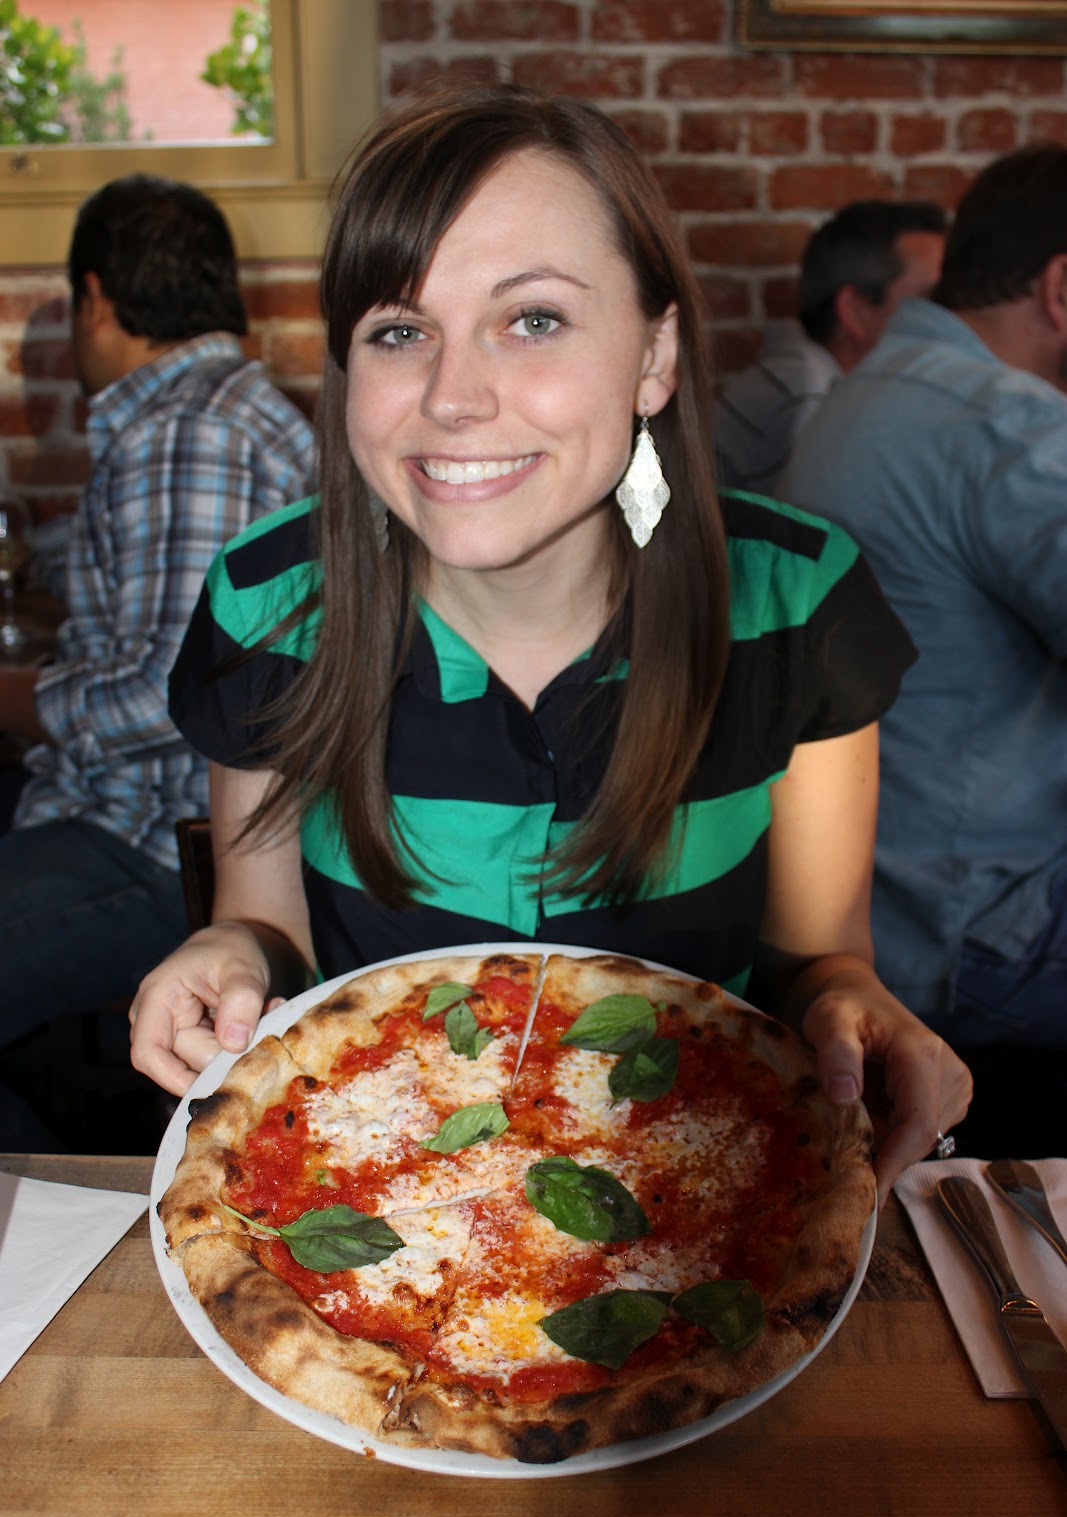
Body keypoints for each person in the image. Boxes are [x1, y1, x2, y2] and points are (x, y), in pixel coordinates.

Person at [129, 85, 971, 1203]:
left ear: (653, 356)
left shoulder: (796, 601)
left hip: (693, 1194)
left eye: (532, 319)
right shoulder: (267, 604)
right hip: (388, 1196)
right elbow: (267, 934)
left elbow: (816, 964)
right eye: (398, 331)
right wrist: (231, 958)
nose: (452, 397)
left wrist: (848, 1010)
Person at [0, 173, 316, 1054]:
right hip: (144, 820)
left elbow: (158, 701)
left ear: (95, 299)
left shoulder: (193, 433)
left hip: (159, 848)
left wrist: (10, 696)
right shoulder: (221, 415)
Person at [780, 143, 1067, 1056]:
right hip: (973, 930)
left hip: (873, 897)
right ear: (1060, 290)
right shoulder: (1007, 427)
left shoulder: (869, 386)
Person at [713, 200, 947, 493]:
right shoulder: (808, 392)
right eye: (932, 299)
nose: (949, 317)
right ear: (857, 311)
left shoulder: (809, 377)